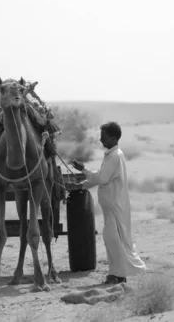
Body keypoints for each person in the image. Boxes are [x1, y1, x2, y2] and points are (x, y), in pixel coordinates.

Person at [70, 121, 146, 284]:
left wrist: (83, 178)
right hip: (110, 208)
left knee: (113, 239)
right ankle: (115, 273)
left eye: (103, 137)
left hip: (115, 207)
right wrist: (84, 173)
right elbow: (102, 175)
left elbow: (102, 178)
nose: (100, 140)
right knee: (111, 239)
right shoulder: (112, 155)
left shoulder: (115, 156)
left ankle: (119, 276)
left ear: (112, 137)